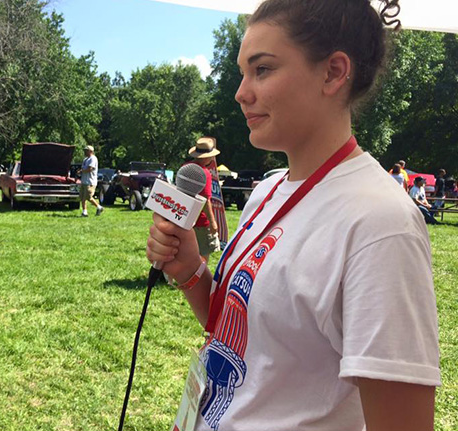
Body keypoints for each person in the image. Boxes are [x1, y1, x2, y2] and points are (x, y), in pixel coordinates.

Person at [146, 1, 440, 430]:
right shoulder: (267, 189)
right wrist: (190, 269)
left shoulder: (380, 224)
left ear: (334, 72)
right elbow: (241, 334)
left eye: (262, 69)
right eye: (243, 71)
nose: (241, 92)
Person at [186, 137, 220, 263]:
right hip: (200, 221)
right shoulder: (204, 173)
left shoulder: (186, 167)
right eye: (211, 156)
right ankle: (199, 279)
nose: (212, 159)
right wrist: (212, 222)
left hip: (185, 218)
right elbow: (205, 200)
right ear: (205, 157)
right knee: (203, 254)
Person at [77, 145, 104, 217]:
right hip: (84, 181)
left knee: (89, 197)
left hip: (90, 181)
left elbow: (90, 169)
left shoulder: (93, 159)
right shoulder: (85, 159)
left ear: (91, 151)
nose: (84, 152)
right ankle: (84, 212)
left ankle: (99, 207)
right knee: (82, 198)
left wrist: (81, 171)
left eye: (86, 150)